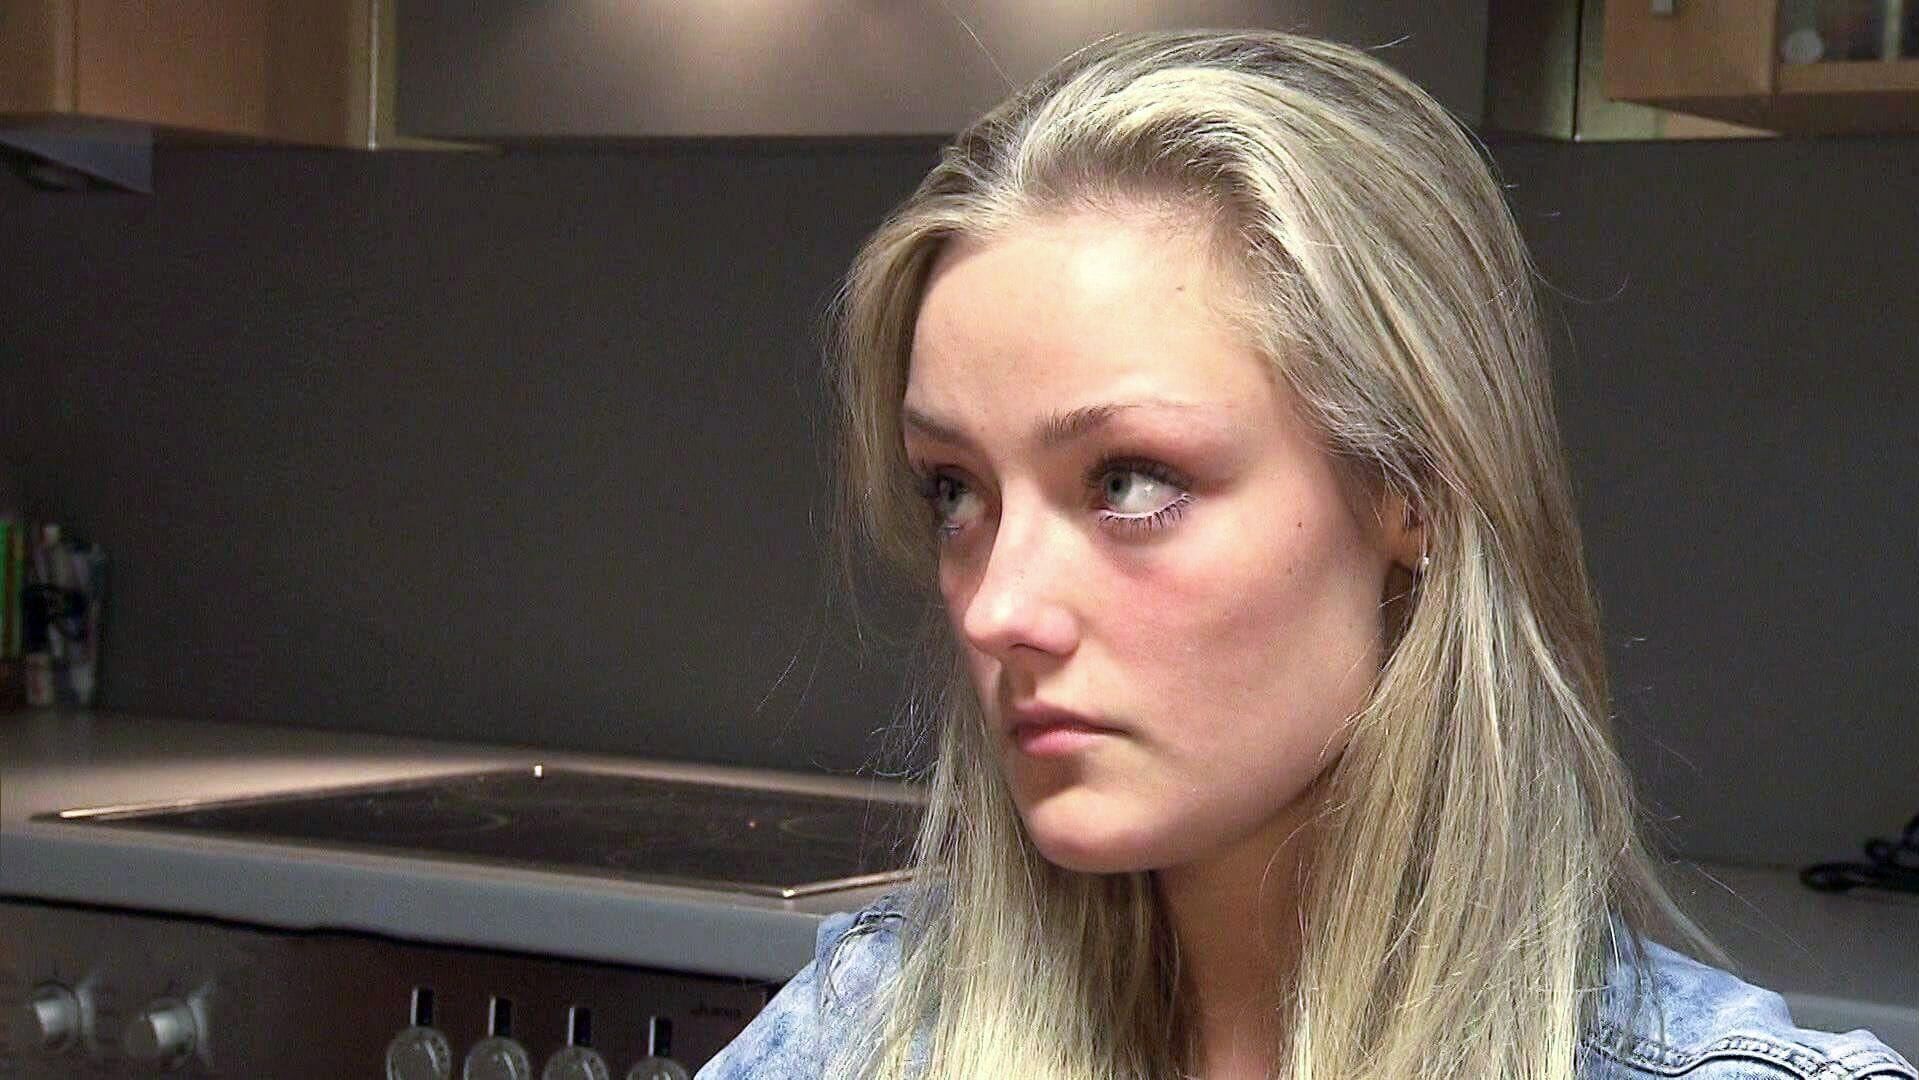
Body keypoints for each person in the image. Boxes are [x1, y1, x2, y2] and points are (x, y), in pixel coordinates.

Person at [696, 29, 1917, 1080]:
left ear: (1412, 488)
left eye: (1127, 483)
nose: (995, 608)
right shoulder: (865, 1034)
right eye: (953, 492)